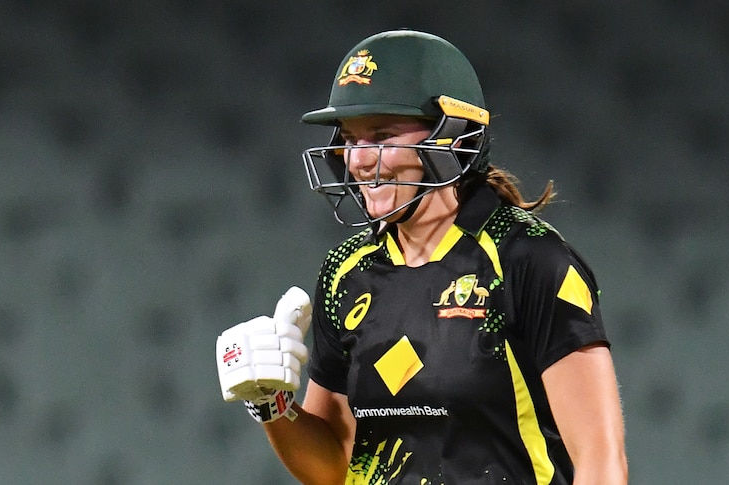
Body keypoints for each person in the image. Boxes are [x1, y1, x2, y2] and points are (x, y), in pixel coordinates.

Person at [216, 29, 628, 485]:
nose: (357, 161)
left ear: (453, 137)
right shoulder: (346, 274)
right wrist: (273, 407)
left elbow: (600, 458)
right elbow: (336, 464)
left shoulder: (525, 260)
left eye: (382, 136)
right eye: (351, 139)